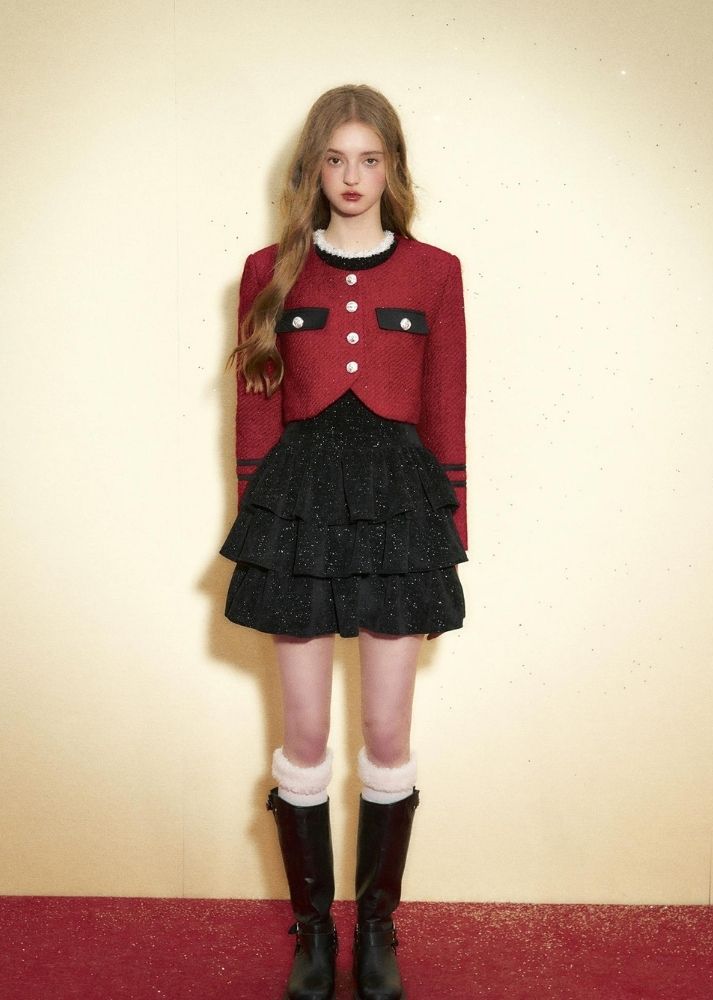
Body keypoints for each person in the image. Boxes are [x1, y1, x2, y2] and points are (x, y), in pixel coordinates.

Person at [219, 83, 468, 1000]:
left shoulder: (435, 271)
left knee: (388, 730)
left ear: (392, 167)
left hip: (401, 512)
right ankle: (315, 936)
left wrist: (448, 534)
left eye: (369, 159)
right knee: (307, 730)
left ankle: (378, 932)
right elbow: (255, 411)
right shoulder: (267, 270)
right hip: (299, 509)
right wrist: (258, 527)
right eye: (335, 159)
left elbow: (447, 405)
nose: (352, 177)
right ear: (313, 169)